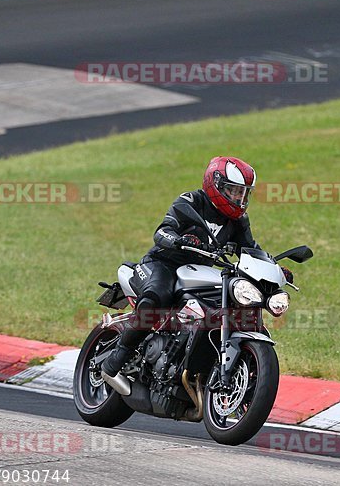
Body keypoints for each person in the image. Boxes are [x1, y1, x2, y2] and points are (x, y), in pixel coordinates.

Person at [101, 156, 292, 388]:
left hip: (196, 270)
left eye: (243, 193)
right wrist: (179, 240)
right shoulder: (190, 201)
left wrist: (273, 269)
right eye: (233, 191)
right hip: (162, 264)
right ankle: (114, 362)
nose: (239, 199)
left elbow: (250, 249)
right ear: (216, 185)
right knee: (156, 299)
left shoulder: (239, 220)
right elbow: (162, 232)